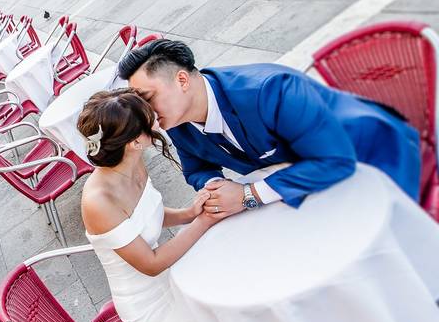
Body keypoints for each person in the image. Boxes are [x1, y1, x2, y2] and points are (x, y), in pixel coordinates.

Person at [117, 40, 421, 218]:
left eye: (147, 97)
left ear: (182, 81)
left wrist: (249, 194)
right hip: (309, 177)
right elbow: (195, 170)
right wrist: (215, 187)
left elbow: (334, 161)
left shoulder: (271, 91)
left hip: (376, 156)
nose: (145, 114)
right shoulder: (177, 120)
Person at [79, 89, 214, 322]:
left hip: (173, 276)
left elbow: (147, 216)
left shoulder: (132, 161)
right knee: (229, 310)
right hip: (151, 307)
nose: (156, 119)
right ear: (135, 142)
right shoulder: (99, 202)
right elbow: (151, 264)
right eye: (149, 118)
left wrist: (190, 214)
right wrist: (204, 222)